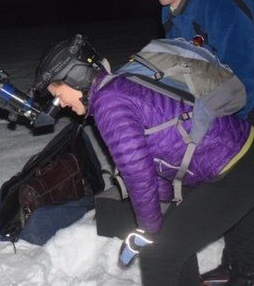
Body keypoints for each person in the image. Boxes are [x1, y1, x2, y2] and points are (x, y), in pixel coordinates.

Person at [34, 34, 254, 285]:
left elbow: (138, 173)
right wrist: (160, 214)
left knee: (158, 256)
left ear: (75, 77)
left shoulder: (109, 104)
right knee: (171, 242)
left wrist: (149, 228)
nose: (61, 103)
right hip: (240, 153)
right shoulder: (119, 86)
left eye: (58, 94)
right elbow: (156, 160)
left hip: (233, 167)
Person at [145, 0, 254, 282]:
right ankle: (240, 263)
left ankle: (247, 269)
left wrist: (227, 124)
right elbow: (185, 69)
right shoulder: (171, 13)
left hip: (249, 98)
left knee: (239, 181)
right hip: (228, 100)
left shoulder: (217, 1)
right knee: (235, 187)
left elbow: (246, 66)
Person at [145, 0, 254, 125]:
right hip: (225, 95)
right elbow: (184, 65)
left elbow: (245, 67)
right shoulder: (169, 11)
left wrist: (237, 121)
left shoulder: (217, 2)